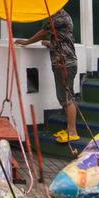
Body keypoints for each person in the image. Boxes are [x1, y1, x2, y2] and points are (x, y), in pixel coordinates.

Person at [15, 9, 79, 143]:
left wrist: (27, 42)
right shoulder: (63, 17)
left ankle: (72, 131)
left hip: (64, 64)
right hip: (64, 62)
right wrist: (50, 44)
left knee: (66, 98)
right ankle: (69, 129)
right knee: (65, 96)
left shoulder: (59, 18)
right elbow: (64, 40)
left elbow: (43, 32)